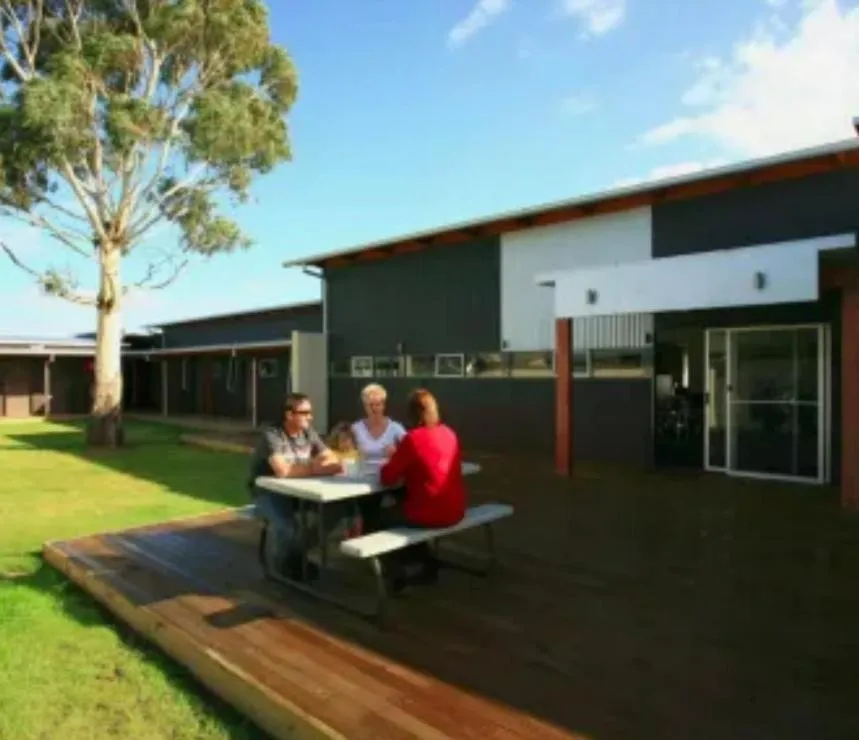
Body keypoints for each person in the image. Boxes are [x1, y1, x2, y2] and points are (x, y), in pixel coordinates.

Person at [248, 392, 346, 581]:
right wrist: (317, 468)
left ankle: (293, 556)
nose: (310, 416)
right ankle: (285, 565)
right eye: (305, 412)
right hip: (267, 493)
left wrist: (320, 465)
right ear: (289, 415)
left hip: (299, 492)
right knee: (288, 527)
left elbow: (331, 457)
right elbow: (282, 471)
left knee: (336, 510)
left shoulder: (308, 432)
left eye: (310, 412)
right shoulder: (273, 434)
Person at [376, 389, 468, 588]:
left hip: (429, 514)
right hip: (455, 510)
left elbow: (387, 478)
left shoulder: (413, 439)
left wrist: (396, 456)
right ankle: (426, 563)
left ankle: (396, 574)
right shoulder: (449, 433)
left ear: (410, 413)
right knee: (404, 506)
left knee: (376, 517)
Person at [351, 383, 407, 465]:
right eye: (370, 405)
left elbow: (410, 452)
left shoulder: (396, 428)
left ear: (383, 405)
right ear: (365, 406)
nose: (374, 409)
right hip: (362, 474)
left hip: (387, 474)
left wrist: (397, 454)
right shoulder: (356, 429)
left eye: (377, 405)